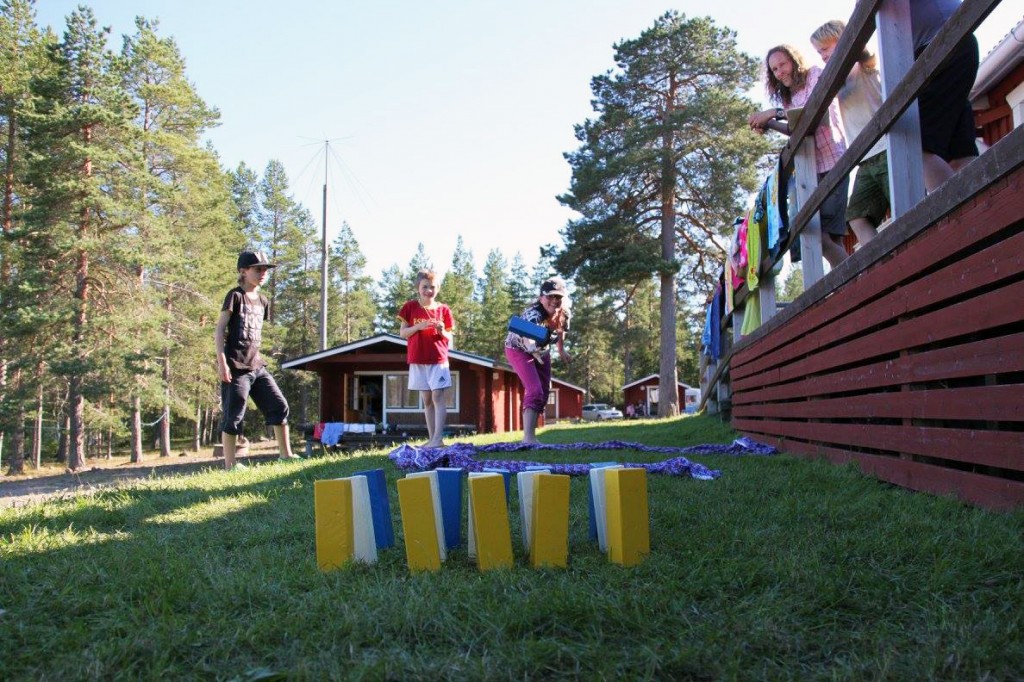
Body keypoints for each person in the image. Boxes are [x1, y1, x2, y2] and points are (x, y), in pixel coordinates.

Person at [748, 44, 850, 268]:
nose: (780, 72)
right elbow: (796, 129)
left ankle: (856, 279)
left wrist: (772, 113)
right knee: (827, 238)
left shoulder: (814, 74)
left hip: (834, 160)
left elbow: (811, 110)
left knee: (824, 236)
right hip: (812, 168)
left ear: (794, 61)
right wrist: (770, 124)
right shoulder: (788, 98)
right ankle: (851, 284)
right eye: (774, 69)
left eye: (782, 64)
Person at [215, 250, 299, 470]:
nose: (263, 273)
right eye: (257, 269)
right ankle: (230, 465)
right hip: (236, 367)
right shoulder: (235, 296)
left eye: (265, 270)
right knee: (234, 416)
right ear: (243, 271)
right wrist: (222, 362)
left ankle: (286, 455)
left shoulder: (263, 300)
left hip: (257, 366)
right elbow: (220, 330)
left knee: (279, 406)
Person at [811, 20, 888, 248]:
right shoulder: (834, 79)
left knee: (906, 201)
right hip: (864, 157)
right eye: (818, 52)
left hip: (886, 145)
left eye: (824, 49)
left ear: (842, 40)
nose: (822, 56)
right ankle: (881, 260)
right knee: (856, 216)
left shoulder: (863, 64)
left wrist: (851, 39)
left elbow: (867, 52)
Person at [910, 0, 979, 192]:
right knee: (959, 149)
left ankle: (961, 216)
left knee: (914, 141)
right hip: (948, 44)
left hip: (941, 47)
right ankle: (981, 210)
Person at [504, 277, 572, 444]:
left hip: (542, 351)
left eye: (558, 297)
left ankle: (532, 435)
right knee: (535, 391)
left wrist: (561, 350)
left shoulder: (564, 313)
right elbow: (529, 341)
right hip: (519, 350)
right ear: (541, 297)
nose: (554, 301)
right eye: (550, 297)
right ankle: (528, 438)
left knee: (544, 391)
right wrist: (533, 350)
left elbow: (561, 331)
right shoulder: (533, 315)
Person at [398, 269, 454, 448]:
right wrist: (419, 326)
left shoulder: (443, 310)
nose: (429, 290)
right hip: (417, 359)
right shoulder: (410, 307)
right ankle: (432, 439)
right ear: (418, 287)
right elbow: (403, 333)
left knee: (438, 395)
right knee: (427, 400)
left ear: (438, 288)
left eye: (432, 287)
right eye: (425, 287)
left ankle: (438, 438)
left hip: (438, 359)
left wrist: (441, 330)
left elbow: (449, 337)